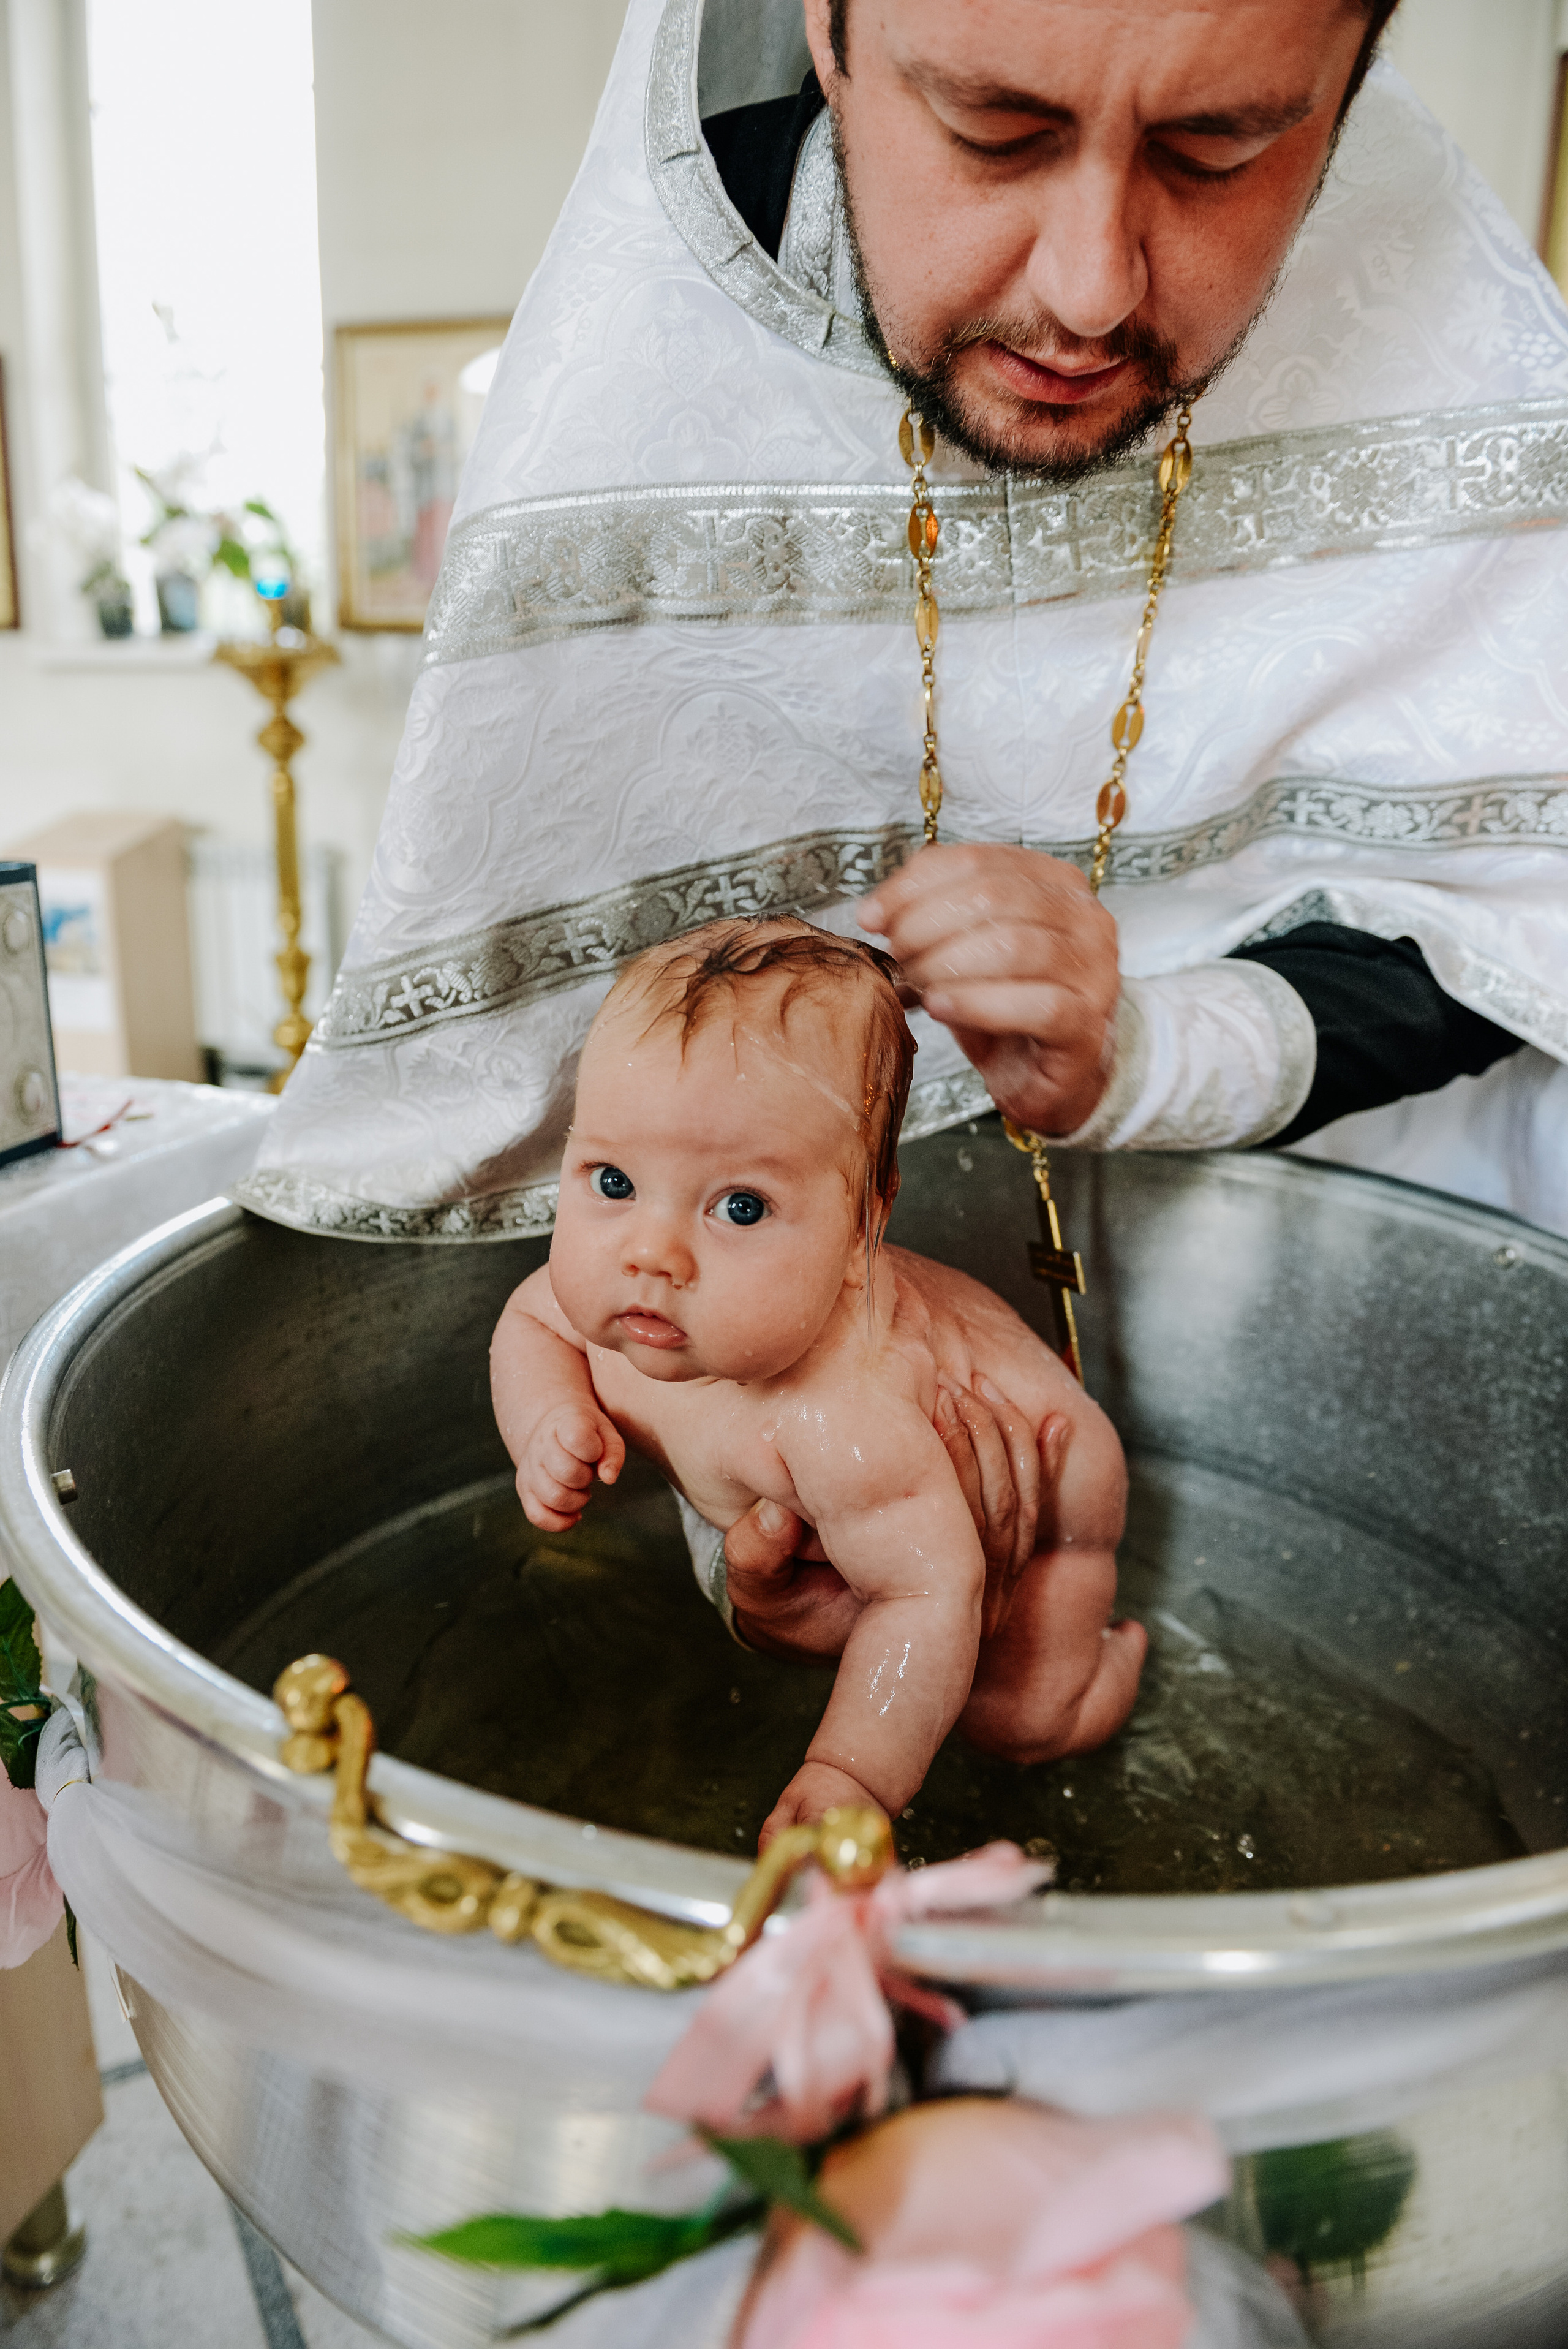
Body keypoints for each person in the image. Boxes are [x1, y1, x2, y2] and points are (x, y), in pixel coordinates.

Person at [240, 0, 1568, 1630]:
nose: (1090, 288)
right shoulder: (652, 361)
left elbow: (1522, 911)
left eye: (1218, 149)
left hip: (1334, 1300)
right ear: (829, 32)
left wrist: (1151, 1042)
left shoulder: (1437, 315)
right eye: (994, 133)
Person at [491, 918, 1136, 1841]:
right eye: (613, 1181)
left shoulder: (843, 1421)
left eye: (740, 1206)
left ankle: (1104, 1677)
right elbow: (527, 1323)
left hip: (1058, 1491)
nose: (650, 1253)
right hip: (868, 1529)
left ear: (860, 1229)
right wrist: (545, 1417)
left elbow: (925, 1595)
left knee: (1016, 1716)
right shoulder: (612, 1313)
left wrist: (852, 1772)